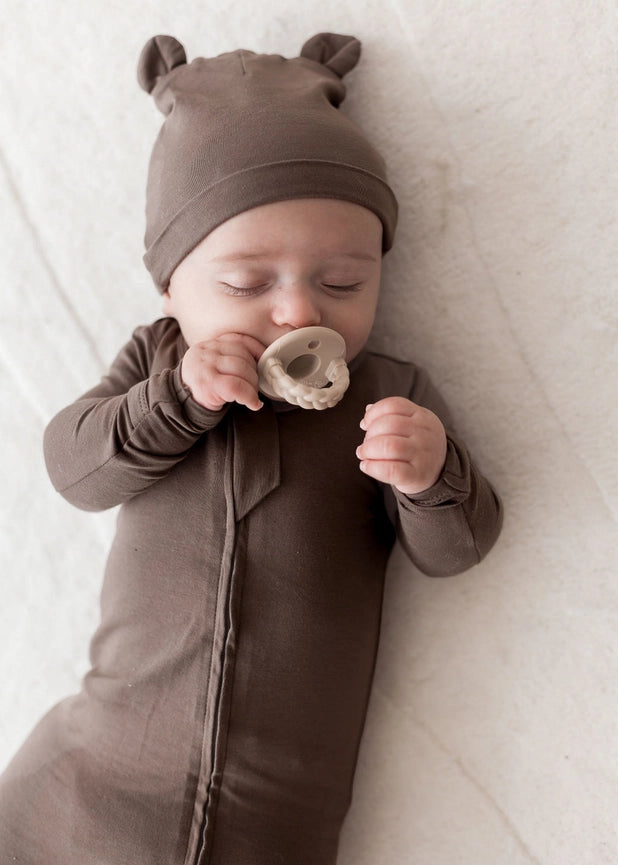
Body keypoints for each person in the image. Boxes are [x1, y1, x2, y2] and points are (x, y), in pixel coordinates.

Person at [0, 32, 502, 865]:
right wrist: (175, 398)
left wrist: (430, 474)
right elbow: (73, 468)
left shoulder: (389, 394)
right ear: (171, 285)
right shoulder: (158, 361)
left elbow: (459, 549)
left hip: (275, 823)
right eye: (245, 283)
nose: (298, 311)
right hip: (90, 786)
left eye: (343, 282)